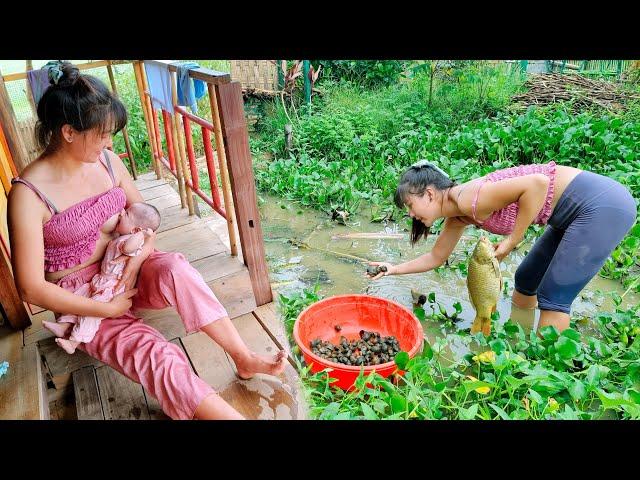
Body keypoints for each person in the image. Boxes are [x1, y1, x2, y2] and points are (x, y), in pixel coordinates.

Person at [8, 61, 287, 420]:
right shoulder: (28, 196)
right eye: (102, 134)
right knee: (157, 355)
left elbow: (145, 223)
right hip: (85, 300)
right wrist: (105, 309)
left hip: (129, 266)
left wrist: (138, 261)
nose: (110, 143)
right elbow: (30, 288)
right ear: (68, 132)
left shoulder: (107, 162)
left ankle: (243, 357)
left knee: (175, 267)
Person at [369, 159, 637, 334]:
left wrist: (513, 239)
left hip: (601, 207)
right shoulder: (457, 215)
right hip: (567, 216)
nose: (411, 215)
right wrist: (392, 269)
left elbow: (537, 184)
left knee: (554, 295)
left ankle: (545, 370)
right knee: (526, 278)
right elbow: (435, 258)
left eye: (410, 206)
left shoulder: (468, 198)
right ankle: (519, 335)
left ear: (429, 194)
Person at [43, 202, 161, 354]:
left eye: (127, 214)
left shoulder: (131, 242)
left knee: (92, 311)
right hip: (100, 279)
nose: (121, 213)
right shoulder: (122, 237)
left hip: (111, 287)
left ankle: (73, 341)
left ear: (136, 229)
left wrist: (141, 235)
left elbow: (127, 249)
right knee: (81, 296)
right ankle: (64, 325)